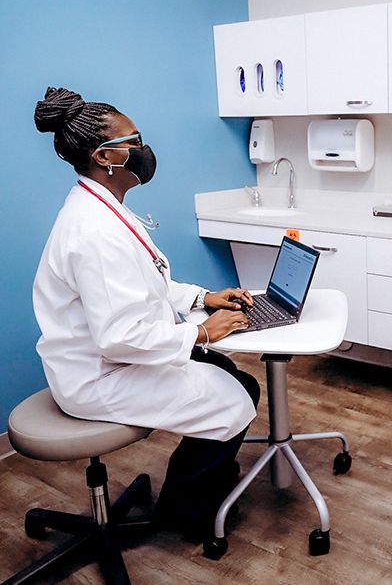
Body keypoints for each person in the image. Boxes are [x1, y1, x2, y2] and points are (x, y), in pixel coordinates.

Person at [32, 86, 260, 539]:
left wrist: (202, 299)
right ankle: (188, 515)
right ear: (105, 157)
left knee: (240, 379)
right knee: (230, 399)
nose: (143, 151)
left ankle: (199, 486)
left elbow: (145, 285)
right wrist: (202, 335)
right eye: (134, 142)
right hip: (99, 374)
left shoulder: (103, 208)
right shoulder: (93, 231)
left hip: (116, 358)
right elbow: (119, 336)